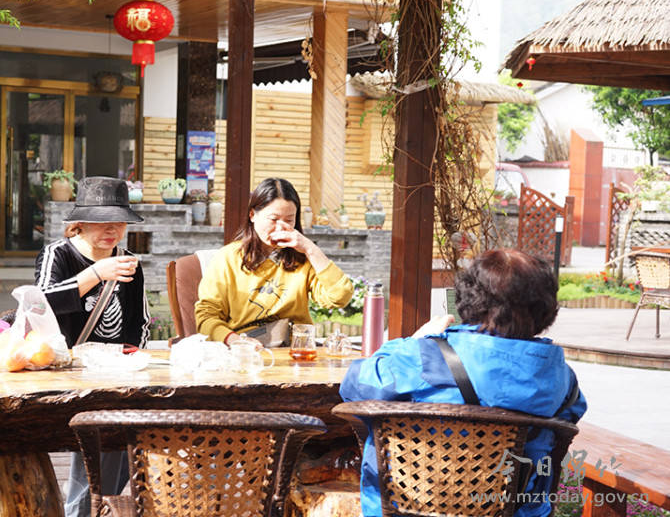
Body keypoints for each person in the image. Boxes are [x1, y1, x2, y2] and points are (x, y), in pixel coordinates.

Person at [340, 248, 587, 517]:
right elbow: (567, 422)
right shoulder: (561, 377)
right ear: (546, 309)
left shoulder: (425, 356)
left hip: (407, 510)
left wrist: (415, 340)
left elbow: (354, 386)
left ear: (469, 297)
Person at [34, 176, 150, 517]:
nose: (111, 230)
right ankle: (83, 511)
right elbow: (41, 303)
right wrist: (96, 273)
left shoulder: (128, 261)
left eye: (118, 222)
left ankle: (96, 509)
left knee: (123, 443)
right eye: (102, 222)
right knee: (96, 449)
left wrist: (133, 358)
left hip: (114, 374)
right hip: (63, 372)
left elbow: (137, 324)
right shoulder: (58, 254)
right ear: (80, 224)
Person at [196, 177, 354, 344]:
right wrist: (234, 340)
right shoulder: (227, 258)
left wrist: (310, 249)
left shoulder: (303, 259)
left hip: (296, 352)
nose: (280, 227)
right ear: (252, 215)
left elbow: (340, 297)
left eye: (289, 220)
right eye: (273, 219)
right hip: (245, 351)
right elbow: (206, 317)